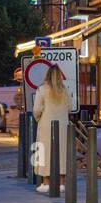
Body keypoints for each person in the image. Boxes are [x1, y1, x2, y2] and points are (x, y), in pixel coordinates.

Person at [32, 66, 71, 194]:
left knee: (44, 152)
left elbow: (37, 109)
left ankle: (46, 182)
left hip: (46, 126)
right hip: (63, 126)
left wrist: (38, 118)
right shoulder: (64, 90)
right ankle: (61, 182)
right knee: (62, 153)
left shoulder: (42, 90)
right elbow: (70, 108)